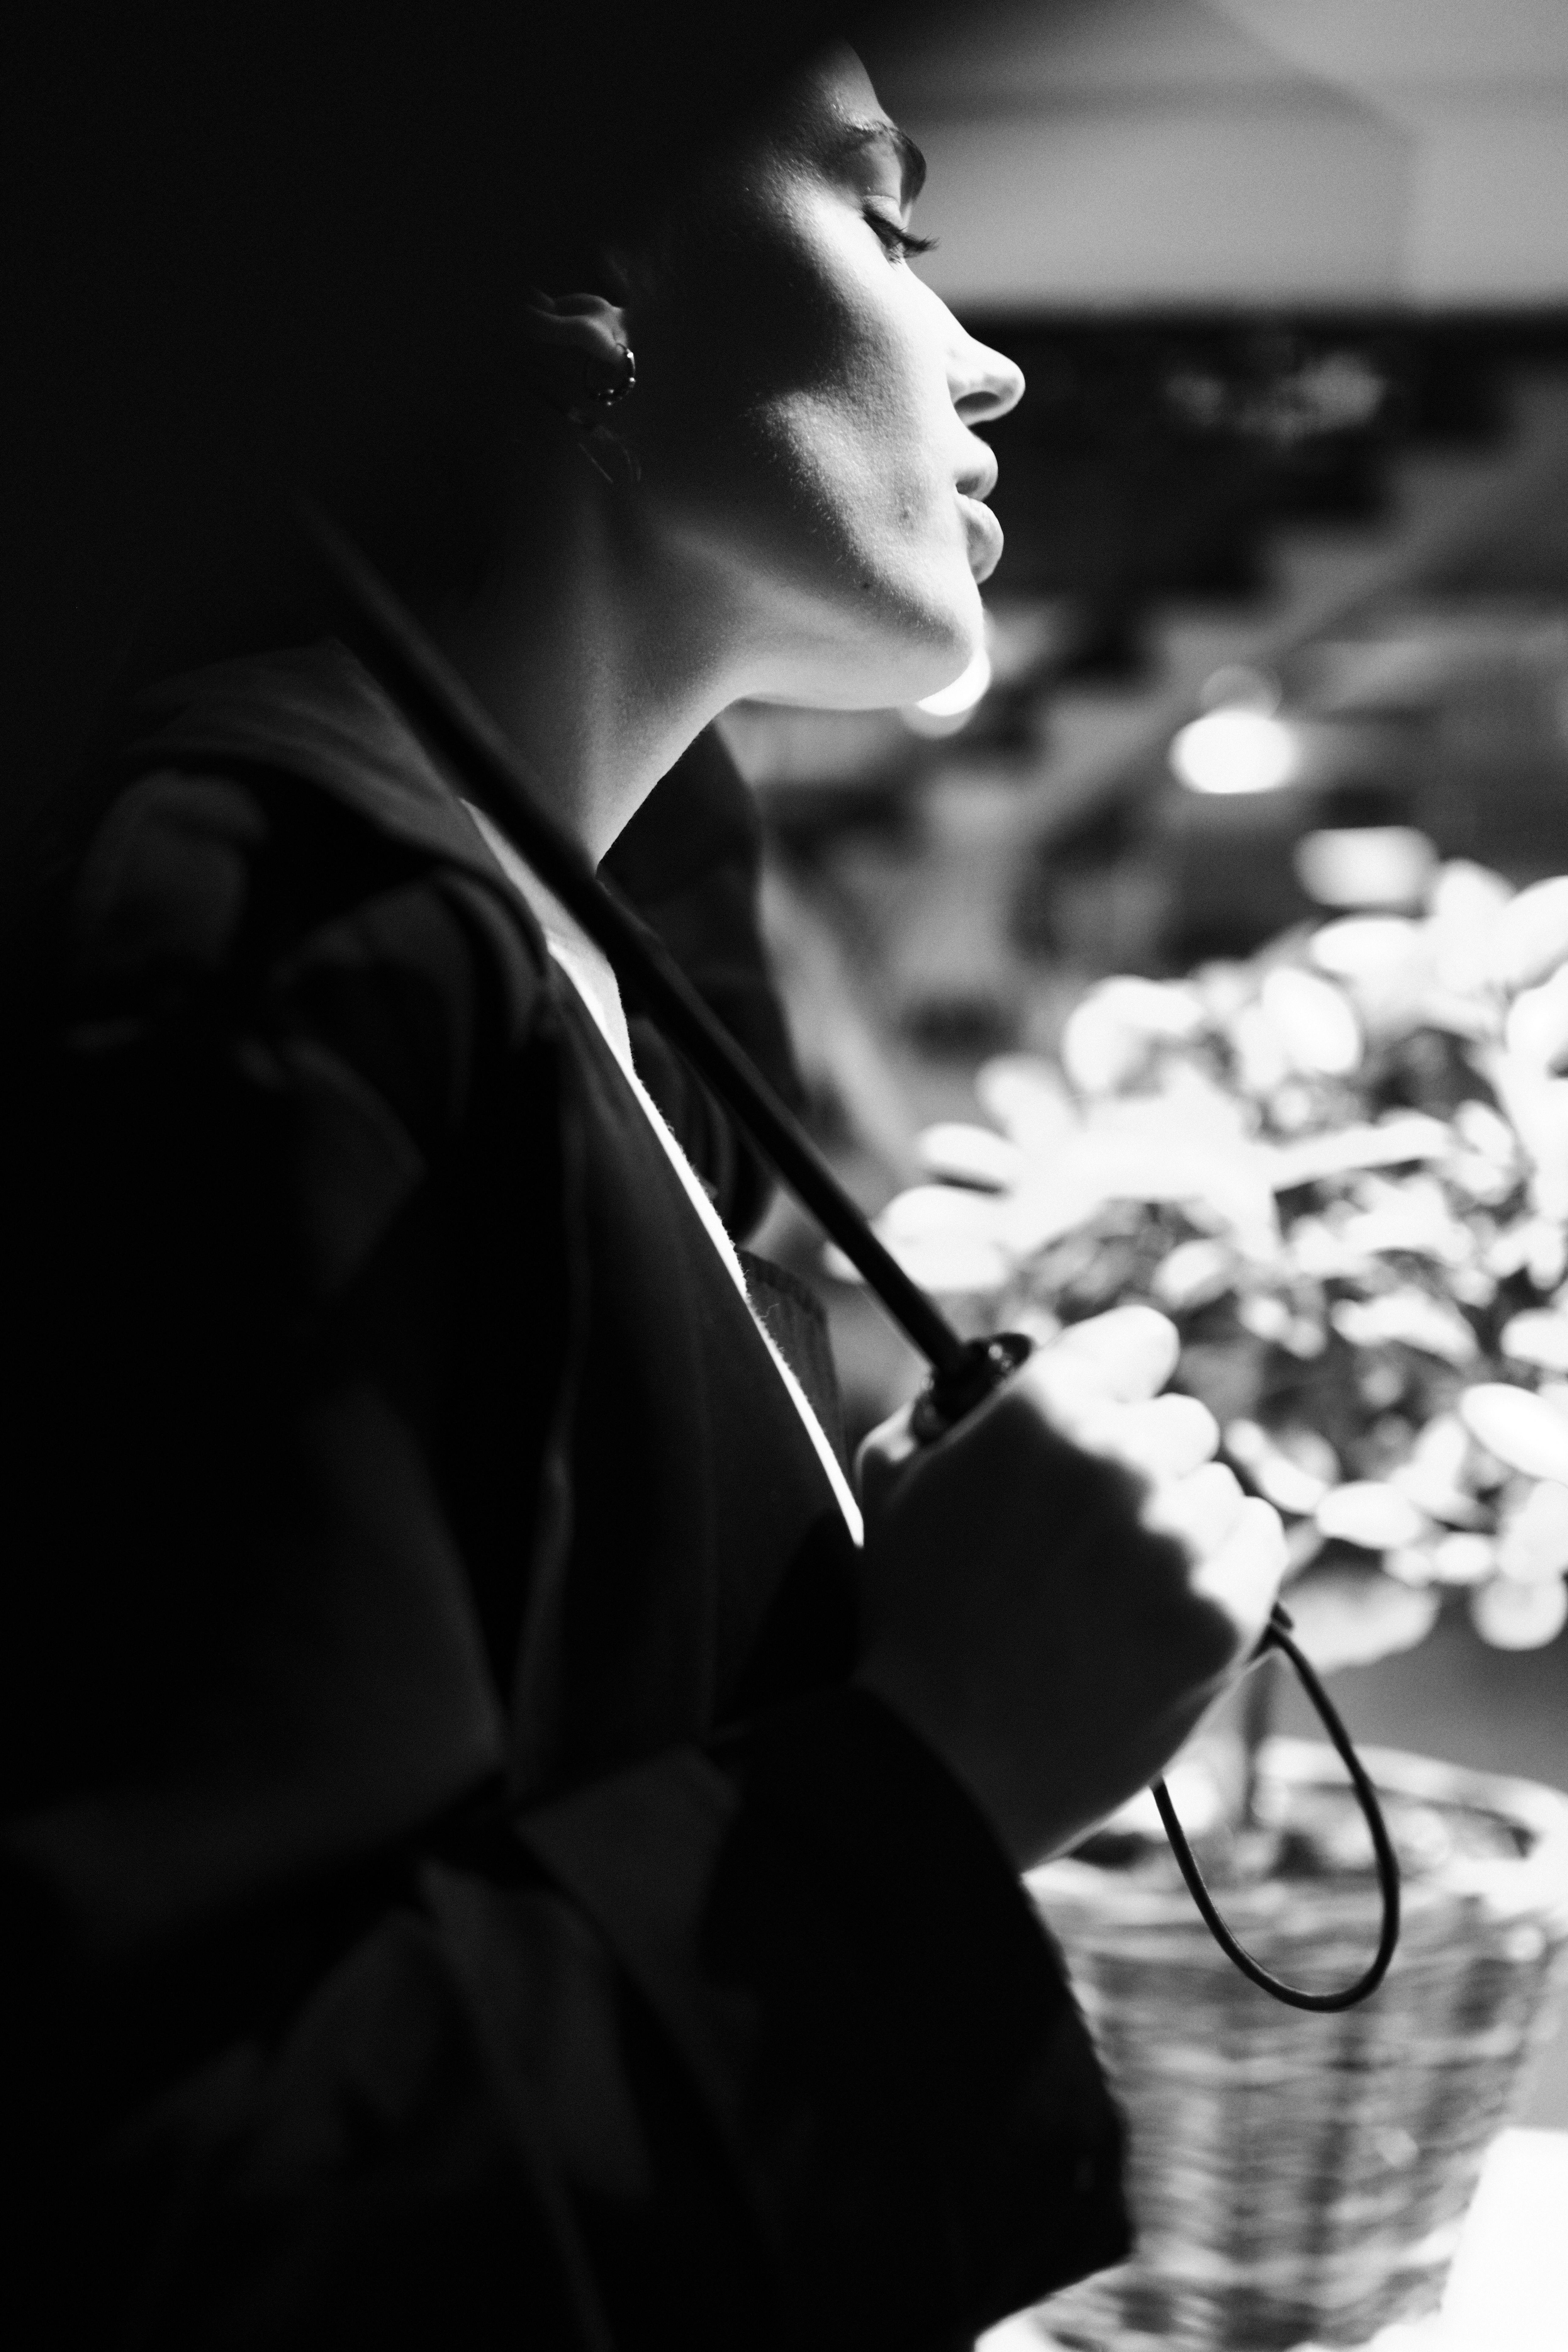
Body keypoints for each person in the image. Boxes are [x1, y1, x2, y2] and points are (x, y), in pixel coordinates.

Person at [0, 23, 1286, 2350]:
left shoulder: (541, 939)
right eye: (890, 229)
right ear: (573, 268)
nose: (984, 367)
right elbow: (178, 2218)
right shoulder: (269, 945)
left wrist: (855, 1631)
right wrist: (933, 1757)